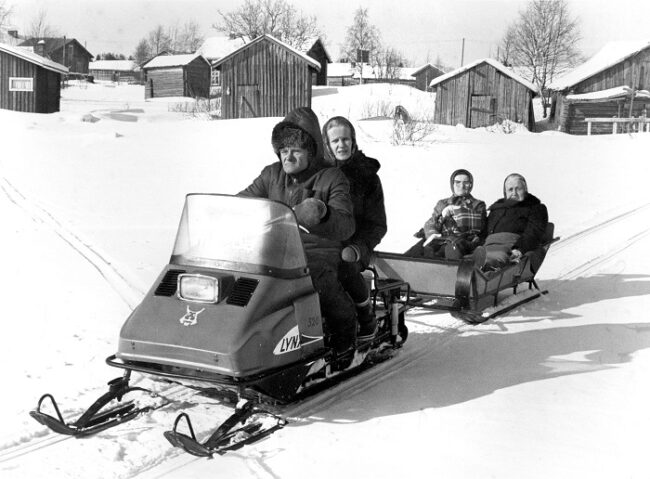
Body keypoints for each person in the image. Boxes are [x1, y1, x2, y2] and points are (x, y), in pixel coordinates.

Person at [239, 107, 358, 357]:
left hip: (318, 253)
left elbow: (346, 224)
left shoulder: (331, 177)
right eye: (283, 150)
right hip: (274, 251)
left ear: (311, 150)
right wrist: (225, 211)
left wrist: (322, 213)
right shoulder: (272, 174)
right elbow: (246, 199)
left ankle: (345, 340)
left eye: (295, 150)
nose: (287, 157)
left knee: (317, 280)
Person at [322, 116, 387, 340]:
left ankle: (365, 316)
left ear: (353, 141)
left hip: (354, 246)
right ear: (326, 145)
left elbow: (377, 223)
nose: (341, 145)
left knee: (343, 265)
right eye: (335, 141)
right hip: (322, 245)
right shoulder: (317, 173)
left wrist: (359, 247)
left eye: (346, 139)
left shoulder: (367, 177)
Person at [405, 169, 486, 260]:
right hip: (441, 239)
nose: (461, 186)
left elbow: (476, 225)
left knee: (450, 250)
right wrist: (433, 234)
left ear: (471, 184)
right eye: (457, 182)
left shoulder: (478, 204)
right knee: (417, 251)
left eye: (466, 182)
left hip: (463, 241)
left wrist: (455, 210)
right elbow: (430, 223)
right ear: (452, 184)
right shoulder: (442, 203)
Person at [474, 173, 548, 270]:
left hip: (510, 246)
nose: (514, 193)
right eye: (510, 189)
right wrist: (476, 241)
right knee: (466, 260)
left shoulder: (536, 208)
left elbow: (534, 232)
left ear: (525, 190)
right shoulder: (497, 208)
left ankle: (481, 270)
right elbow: (485, 231)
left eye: (518, 189)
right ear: (505, 192)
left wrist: (519, 249)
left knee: (488, 260)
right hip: (487, 247)